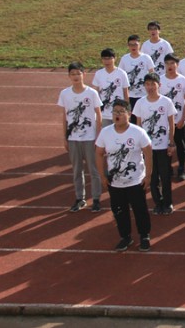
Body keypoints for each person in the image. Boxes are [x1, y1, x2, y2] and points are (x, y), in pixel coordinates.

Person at [95, 99, 153, 252]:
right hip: (115, 182)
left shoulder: (138, 132)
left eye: (121, 112)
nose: (117, 115)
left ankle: (144, 235)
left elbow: (148, 153)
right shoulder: (105, 132)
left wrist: (148, 176)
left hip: (135, 181)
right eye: (115, 112)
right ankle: (125, 236)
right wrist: (102, 176)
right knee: (119, 211)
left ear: (129, 114)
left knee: (140, 209)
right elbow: (99, 154)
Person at [57, 62, 103, 213]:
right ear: (69, 76)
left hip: (90, 138)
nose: (76, 76)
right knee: (77, 169)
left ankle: (96, 199)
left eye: (78, 73)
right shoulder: (65, 93)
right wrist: (65, 137)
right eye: (73, 74)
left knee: (93, 169)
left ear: (84, 75)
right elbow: (64, 116)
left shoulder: (91, 93)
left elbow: (99, 115)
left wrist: (98, 136)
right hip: (73, 137)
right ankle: (80, 198)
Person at [133, 73, 176, 215]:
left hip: (163, 146)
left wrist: (171, 142)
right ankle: (157, 203)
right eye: (147, 84)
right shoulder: (140, 103)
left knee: (165, 176)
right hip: (147, 148)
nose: (150, 87)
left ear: (159, 85)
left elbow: (171, 123)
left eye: (153, 84)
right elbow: (138, 125)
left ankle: (168, 203)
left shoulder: (166, 102)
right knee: (151, 176)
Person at [161, 53, 185, 181]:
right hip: (164, 121)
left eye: (172, 63)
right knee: (165, 144)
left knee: (181, 145)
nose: (170, 66)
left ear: (177, 65)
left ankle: (181, 169)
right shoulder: (160, 80)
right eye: (167, 63)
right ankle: (167, 168)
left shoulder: (183, 80)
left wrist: (183, 118)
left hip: (179, 120)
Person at [118, 35, 155, 123]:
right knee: (131, 119)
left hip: (144, 94)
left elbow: (152, 75)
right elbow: (120, 75)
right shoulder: (124, 59)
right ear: (128, 46)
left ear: (140, 45)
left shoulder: (146, 58)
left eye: (135, 44)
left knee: (144, 119)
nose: (133, 47)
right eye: (131, 45)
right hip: (129, 95)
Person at [93, 48, 130, 128]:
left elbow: (125, 93)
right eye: (104, 59)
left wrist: (127, 109)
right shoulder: (99, 74)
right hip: (104, 114)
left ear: (115, 58)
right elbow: (96, 94)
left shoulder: (122, 73)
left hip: (119, 113)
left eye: (109, 58)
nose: (107, 61)